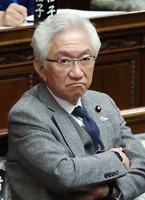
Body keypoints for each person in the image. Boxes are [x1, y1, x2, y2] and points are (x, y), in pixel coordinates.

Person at [6, 12, 145, 200]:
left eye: (85, 59)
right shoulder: (27, 114)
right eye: (64, 61)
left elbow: (142, 162)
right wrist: (118, 158)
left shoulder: (103, 102)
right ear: (41, 68)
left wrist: (111, 191)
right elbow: (65, 175)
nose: (78, 73)